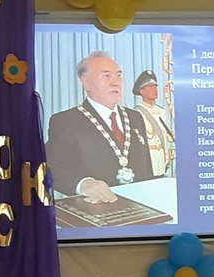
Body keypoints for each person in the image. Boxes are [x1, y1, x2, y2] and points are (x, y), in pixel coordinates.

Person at [46, 51, 154, 202]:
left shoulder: (135, 117)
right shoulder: (65, 121)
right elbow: (54, 167)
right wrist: (82, 184)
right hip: (95, 208)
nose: (115, 82)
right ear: (86, 82)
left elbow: (146, 166)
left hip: (141, 205)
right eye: (106, 76)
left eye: (119, 75)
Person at [131, 69, 174, 179]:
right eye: (150, 87)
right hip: (148, 159)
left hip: (161, 157)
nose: (154, 90)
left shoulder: (161, 111)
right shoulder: (137, 113)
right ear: (142, 91)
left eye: (155, 87)